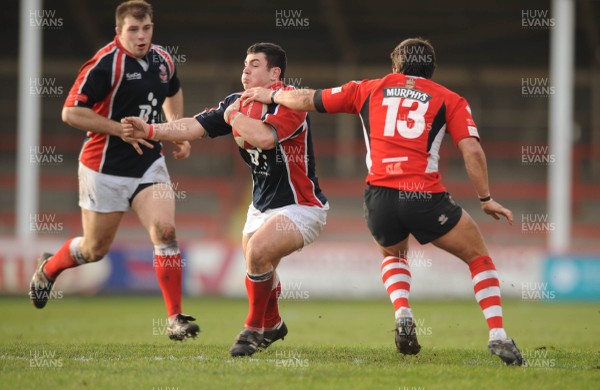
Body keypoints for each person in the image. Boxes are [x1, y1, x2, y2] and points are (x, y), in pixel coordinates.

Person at [242, 37, 524, 366]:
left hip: (379, 198)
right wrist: (485, 198)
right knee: (477, 257)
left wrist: (272, 94)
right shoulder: (450, 99)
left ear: (394, 66)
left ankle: (403, 312)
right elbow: (472, 150)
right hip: (423, 195)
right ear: (432, 70)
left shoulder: (368, 88)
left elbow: (308, 98)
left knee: (393, 253)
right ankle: (498, 335)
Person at [121, 42, 329, 357]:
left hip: (302, 206)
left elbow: (262, 137)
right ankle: (272, 324)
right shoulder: (237, 102)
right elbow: (192, 125)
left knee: (257, 253)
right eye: (245, 63)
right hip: (260, 206)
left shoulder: (290, 103)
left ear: (275, 74)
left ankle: (251, 329)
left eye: (255, 64)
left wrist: (232, 115)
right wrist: (149, 130)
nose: (245, 69)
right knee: (259, 264)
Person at [29, 0, 199, 342]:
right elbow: (71, 113)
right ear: (119, 31)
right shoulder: (105, 64)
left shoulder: (163, 59)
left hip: (148, 161)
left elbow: (173, 88)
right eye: (133, 30)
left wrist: (176, 128)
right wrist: (115, 128)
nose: (141, 36)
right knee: (94, 249)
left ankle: (175, 319)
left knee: (165, 231)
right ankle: (48, 268)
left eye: (146, 28)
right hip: (103, 167)